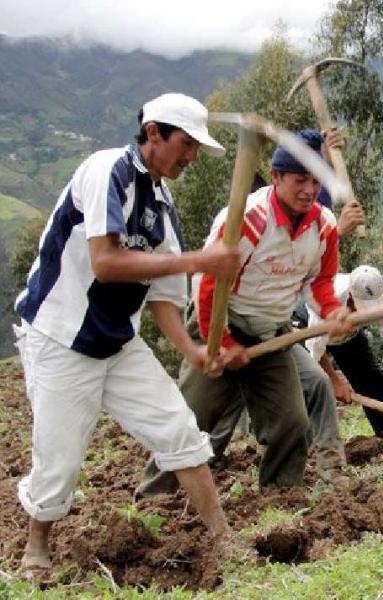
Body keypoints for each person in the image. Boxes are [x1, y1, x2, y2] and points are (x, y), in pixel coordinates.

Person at [12, 93, 241, 579]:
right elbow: (107, 261)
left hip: (118, 343)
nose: (192, 156)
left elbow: (161, 295)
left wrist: (192, 351)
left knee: (178, 428)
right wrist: (200, 260)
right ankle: (36, 545)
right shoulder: (106, 171)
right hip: (61, 338)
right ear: (153, 132)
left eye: (197, 148)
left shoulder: (162, 203)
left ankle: (223, 536)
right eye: (186, 143)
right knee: (59, 459)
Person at [135, 128, 352, 499]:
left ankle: (281, 495)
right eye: (300, 180)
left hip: (273, 332)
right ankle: (154, 500)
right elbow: (208, 287)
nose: (309, 191)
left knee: (292, 420)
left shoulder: (324, 226)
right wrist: (224, 343)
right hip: (218, 324)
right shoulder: (247, 220)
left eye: (316, 182)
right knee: (191, 420)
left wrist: (332, 311)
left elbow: (320, 281)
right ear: (275, 176)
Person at [306, 265, 383, 448]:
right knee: (313, 390)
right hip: (308, 332)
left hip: (348, 337)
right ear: (350, 295)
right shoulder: (324, 301)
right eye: (362, 307)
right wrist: (334, 381)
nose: (366, 313)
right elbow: (315, 353)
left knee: (374, 380)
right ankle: (310, 450)